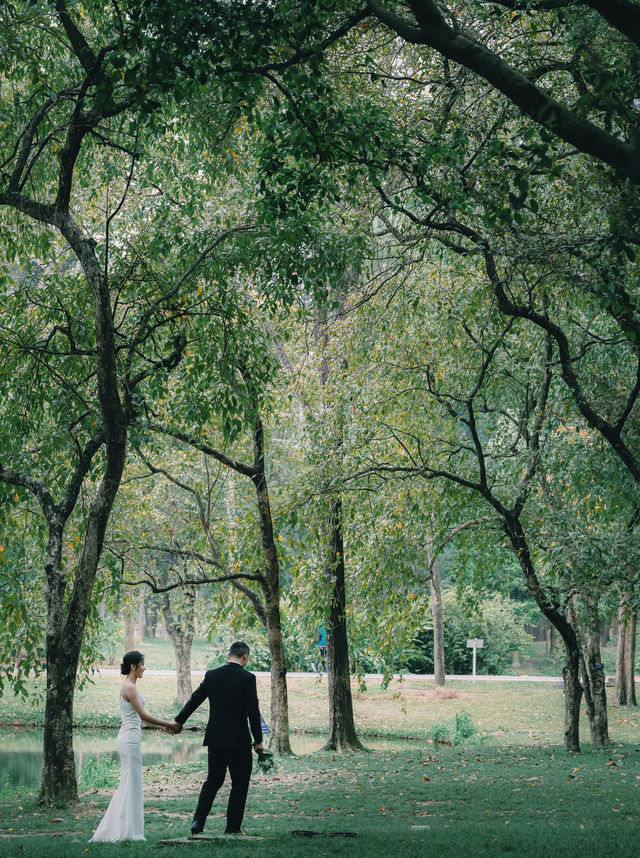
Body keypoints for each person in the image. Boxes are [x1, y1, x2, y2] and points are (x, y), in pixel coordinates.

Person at [174, 640, 264, 836]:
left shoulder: (212, 675)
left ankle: (198, 821)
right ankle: (232, 827)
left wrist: (179, 720)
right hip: (238, 740)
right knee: (239, 784)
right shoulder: (247, 678)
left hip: (215, 739)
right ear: (245, 657)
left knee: (213, 781)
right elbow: (253, 711)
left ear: (228, 656)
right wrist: (258, 740)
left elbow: (195, 699)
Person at [90, 650, 179, 842]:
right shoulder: (129, 687)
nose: (144, 668)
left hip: (131, 738)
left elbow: (143, 720)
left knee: (131, 784)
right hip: (129, 740)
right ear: (133, 666)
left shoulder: (131, 686)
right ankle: (126, 832)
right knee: (131, 784)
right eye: (142, 664)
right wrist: (168, 723)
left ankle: (128, 829)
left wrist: (162, 728)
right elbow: (144, 716)